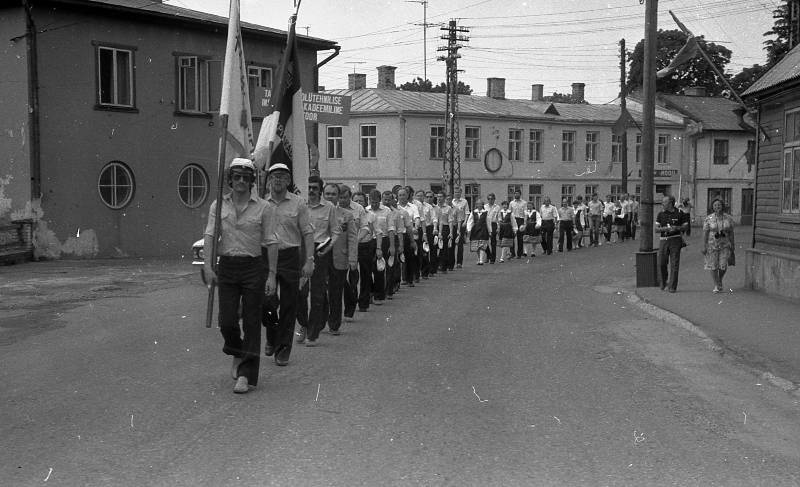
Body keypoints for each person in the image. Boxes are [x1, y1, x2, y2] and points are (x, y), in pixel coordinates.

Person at [204, 158, 277, 394]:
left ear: (252, 181)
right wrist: (208, 266)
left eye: (246, 177)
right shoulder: (218, 205)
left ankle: (246, 375)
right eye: (237, 176)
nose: (241, 181)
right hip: (227, 266)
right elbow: (210, 236)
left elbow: (272, 242)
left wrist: (272, 275)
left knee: (252, 320)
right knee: (226, 320)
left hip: (253, 266)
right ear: (230, 180)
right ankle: (236, 350)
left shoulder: (264, 207)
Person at [262, 163, 314, 367]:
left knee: (289, 305)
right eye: (274, 176)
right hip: (266, 257)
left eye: (282, 176)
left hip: (290, 255)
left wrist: (309, 260)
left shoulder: (298, 203)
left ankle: (283, 350)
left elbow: (308, 233)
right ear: (269, 180)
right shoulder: (260, 203)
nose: (278, 179)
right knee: (266, 302)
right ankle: (272, 334)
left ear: (288, 181)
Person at [296, 175, 340, 347]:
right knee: (299, 292)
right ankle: (304, 324)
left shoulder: (329, 207)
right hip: (300, 250)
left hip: (320, 251)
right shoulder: (299, 205)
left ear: (320, 190)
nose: (312, 191)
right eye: (309, 187)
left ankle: (313, 333)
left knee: (317, 293)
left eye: (315, 188)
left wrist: (329, 247)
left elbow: (335, 231)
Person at [325, 183, 359, 334]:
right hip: (321, 257)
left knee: (336, 292)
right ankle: (320, 319)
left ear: (338, 197)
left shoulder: (346, 215)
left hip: (340, 257)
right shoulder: (315, 213)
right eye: (328, 194)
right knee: (320, 292)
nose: (330, 197)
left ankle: (334, 324)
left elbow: (352, 238)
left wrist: (352, 259)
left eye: (333, 194)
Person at [655, 195, 690, 293]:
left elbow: (685, 226)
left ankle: (672, 286)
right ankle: (663, 282)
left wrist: (677, 228)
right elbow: (656, 229)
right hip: (663, 240)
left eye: (664, 202)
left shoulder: (680, 213)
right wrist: (666, 229)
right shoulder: (660, 214)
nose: (662, 203)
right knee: (661, 263)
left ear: (670, 203)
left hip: (675, 239)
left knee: (674, 263)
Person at [702, 197, 736, 293]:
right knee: (713, 265)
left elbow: (731, 232)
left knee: (723, 265)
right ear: (712, 207)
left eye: (719, 205)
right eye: (715, 205)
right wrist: (704, 246)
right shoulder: (708, 218)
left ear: (722, 206)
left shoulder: (728, 218)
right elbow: (705, 233)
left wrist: (733, 244)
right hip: (712, 245)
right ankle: (717, 284)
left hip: (725, 244)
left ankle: (719, 279)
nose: (718, 206)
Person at [368, 189, 394, 305]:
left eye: (376, 202)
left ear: (380, 201)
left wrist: (392, 245)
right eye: (372, 202)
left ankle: (379, 295)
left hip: (383, 240)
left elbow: (391, 229)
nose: (374, 204)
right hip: (368, 241)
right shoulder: (365, 211)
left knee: (379, 268)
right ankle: (370, 293)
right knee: (368, 269)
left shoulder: (387, 211)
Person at [397, 188, 419, 287]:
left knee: (409, 257)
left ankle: (410, 279)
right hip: (397, 235)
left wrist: (415, 228)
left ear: (408, 195)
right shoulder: (395, 208)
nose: (402, 197)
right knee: (398, 259)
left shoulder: (413, 207)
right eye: (400, 195)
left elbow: (416, 219)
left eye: (404, 195)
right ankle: (400, 279)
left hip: (408, 233)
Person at [466, 198, 490, 265]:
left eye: (480, 204)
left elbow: (488, 222)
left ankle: (481, 260)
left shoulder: (486, 212)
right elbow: (470, 221)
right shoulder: (473, 212)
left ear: (482, 205)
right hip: (475, 229)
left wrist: (490, 230)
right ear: (476, 205)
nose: (479, 205)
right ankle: (479, 258)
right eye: (478, 204)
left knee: (482, 244)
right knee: (476, 245)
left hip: (483, 229)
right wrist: (469, 229)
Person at [451, 187, 470, 269]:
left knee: (460, 244)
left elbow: (467, 213)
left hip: (461, 223)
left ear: (461, 193)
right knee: (451, 244)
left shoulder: (464, 202)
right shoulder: (451, 202)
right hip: (452, 224)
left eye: (458, 192)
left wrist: (465, 222)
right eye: (455, 192)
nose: (457, 193)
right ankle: (451, 262)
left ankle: (459, 262)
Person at [437, 192, 453, 273]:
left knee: (444, 248)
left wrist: (451, 232)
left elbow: (450, 220)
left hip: (445, 228)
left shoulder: (448, 208)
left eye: (441, 197)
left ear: (444, 198)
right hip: (435, 228)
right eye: (438, 197)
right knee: (435, 247)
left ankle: (444, 267)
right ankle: (436, 265)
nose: (439, 198)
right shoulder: (434, 207)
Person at [509, 189, 527, 258]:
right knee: (512, 237)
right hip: (513, 220)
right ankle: (512, 253)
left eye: (518, 193)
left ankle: (519, 254)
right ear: (514, 194)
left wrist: (525, 223)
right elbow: (509, 212)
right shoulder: (511, 203)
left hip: (520, 220)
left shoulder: (524, 203)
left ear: (520, 194)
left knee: (520, 238)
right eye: (515, 193)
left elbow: (525, 213)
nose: (516, 195)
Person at [484, 193, 501, 264]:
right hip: (486, 224)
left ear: (494, 199)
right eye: (489, 199)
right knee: (484, 241)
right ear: (487, 199)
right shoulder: (484, 207)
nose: (491, 200)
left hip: (493, 224)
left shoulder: (497, 207)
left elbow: (499, 218)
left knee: (493, 242)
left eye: (492, 199)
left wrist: (498, 227)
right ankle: (488, 254)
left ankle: (492, 259)